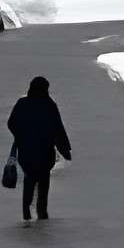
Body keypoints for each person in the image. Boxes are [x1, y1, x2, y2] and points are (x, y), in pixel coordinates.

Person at [6, 76, 74, 222]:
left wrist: (20, 136)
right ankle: (41, 211)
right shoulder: (49, 105)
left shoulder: (22, 103)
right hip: (45, 151)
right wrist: (65, 150)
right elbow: (58, 128)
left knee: (29, 178)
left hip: (26, 150)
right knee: (44, 181)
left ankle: (26, 211)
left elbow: (11, 123)